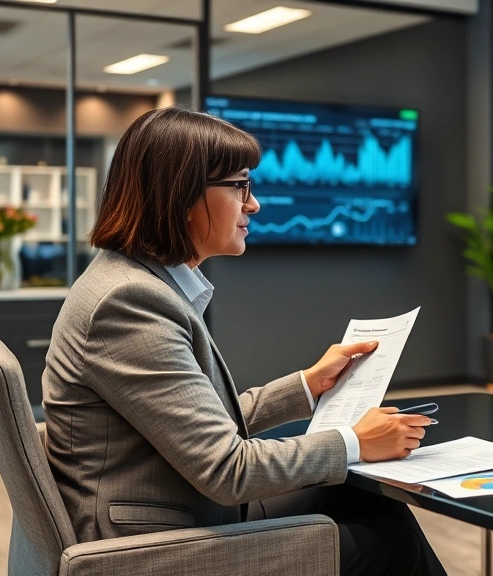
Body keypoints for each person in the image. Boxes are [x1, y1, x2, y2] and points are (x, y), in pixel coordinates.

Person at [42, 107, 445, 575]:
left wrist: (308, 385)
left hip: (175, 507)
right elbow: (228, 470)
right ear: (180, 194)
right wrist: (354, 441)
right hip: (148, 547)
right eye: (240, 186)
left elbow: (204, 424)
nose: (253, 205)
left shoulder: (135, 281)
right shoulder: (128, 303)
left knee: (374, 506)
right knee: (389, 542)